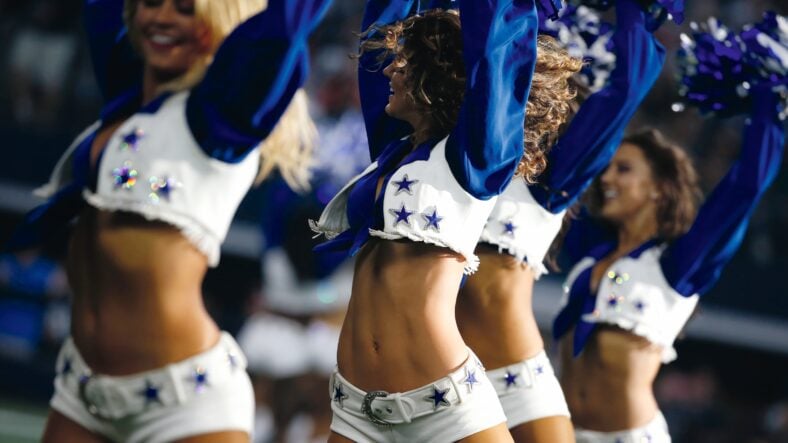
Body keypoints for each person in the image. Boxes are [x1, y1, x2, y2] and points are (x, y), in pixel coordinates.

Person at [6, 0, 332, 441]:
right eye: (150, 3)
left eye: (184, 9)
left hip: (183, 401)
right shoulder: (130, 99)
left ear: (218, 21)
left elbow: (284, 25)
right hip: (83, 389)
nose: (160, 17)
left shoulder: (223, 115)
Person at [310, 0, 578, 440]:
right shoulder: (395, 149)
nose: (390, 70)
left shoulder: (473, 160)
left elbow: (492, 55)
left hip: (442, 406)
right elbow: (377, 39)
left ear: (437, 77)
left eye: (405, 63)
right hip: (356, 408)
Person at [456, 1, 664, 441]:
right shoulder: (465, 151)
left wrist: (632, 11)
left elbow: (625, 89)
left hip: (513, 377)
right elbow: (482, 53)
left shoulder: (552, 177)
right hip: (445, 369)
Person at [552, 86, 785, 442]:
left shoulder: (676, 263)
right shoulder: (590, 250)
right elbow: (579, 159)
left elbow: (743, 189)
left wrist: (769, 104)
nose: (608, 178)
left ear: (658, 187)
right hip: (563, 432)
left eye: (624, 169)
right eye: (609, 169)